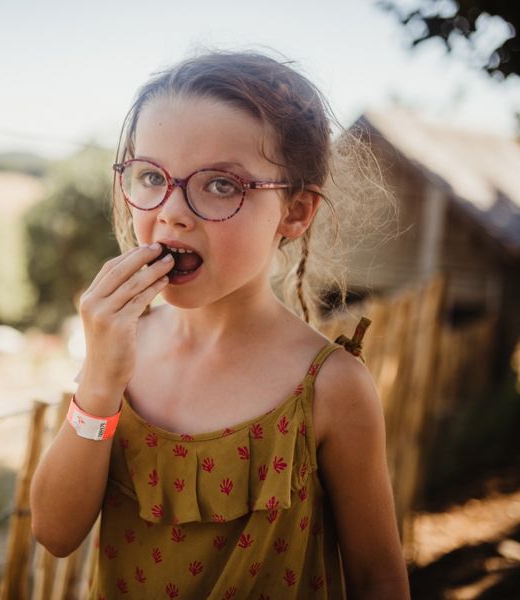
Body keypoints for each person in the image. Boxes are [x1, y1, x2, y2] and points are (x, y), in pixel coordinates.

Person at [30, 50, 410, 599]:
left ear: (295, 212)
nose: (171, 212)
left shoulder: (331, 387)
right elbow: (54, 532)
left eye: (221, 185)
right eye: (151, 176)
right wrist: (100, 383)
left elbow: (378, 579)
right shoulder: (122, 352)